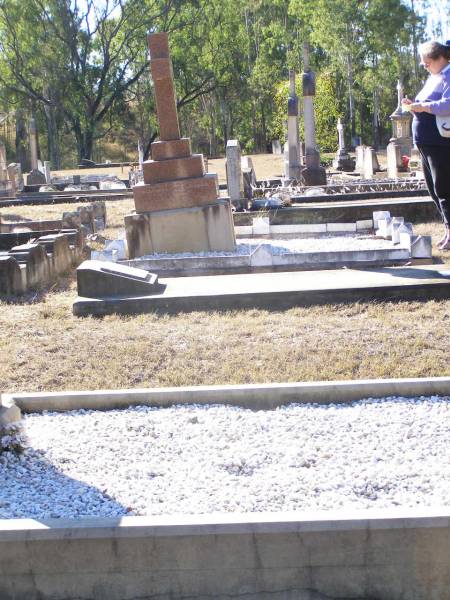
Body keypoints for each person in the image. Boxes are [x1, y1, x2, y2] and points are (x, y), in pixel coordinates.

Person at [402, 40, 450, 249]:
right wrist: (413, 106)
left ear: (441, 58)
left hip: (439, 141)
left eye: (427, 63)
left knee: (444, 188)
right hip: (425, 142)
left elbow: (447, 104)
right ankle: (448, 229)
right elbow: (426, 107)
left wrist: (422, 106)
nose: (425, 66)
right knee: (433, 189)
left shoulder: (448, 75)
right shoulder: (435, 77)